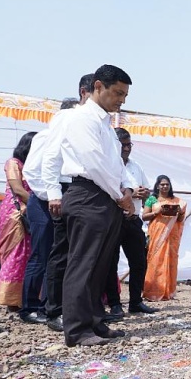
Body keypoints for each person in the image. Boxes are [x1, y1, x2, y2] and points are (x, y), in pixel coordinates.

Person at [56, 65, 135, 347]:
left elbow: (115, 165)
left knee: (100, 266)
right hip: (88, 194)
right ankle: (76, 330)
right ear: (98, 86)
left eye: (125, 95)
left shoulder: (105, 124)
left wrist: (126, 189)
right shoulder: (81, 119)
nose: (122, 100)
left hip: (106, 197)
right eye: (117, 93)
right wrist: (120, 194)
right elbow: (93, 162)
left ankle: (95, 323)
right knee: (83, 264)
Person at [20, 98, 80, 327]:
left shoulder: (70, 142)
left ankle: (49, 305)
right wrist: (52, 197)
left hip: (60, 201)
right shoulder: (45, 137)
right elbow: (32, 172)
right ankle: (29, 307)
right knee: (41, 255)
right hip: (45, 202)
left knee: (58, 256)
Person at [41, 74, 94, 333]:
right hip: (64, 189)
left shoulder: (95, 121)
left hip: (80, 190)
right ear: (87, 92)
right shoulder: (68, 117)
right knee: (62, 252)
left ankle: (78, 311)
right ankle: (55, 311)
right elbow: (50, 157)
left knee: (79, 254)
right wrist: (53, 192)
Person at [102, 128, 156, 322]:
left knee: (139, 262)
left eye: (129, 144)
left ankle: (135, 301)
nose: (127, 148)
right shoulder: (107, 165)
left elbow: (147, 190)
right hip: (114, 219)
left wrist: (143, 194)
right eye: (123, 144)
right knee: (111, 262)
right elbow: (109, 191)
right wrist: (132, 194)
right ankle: (115, 304)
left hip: (133, 220)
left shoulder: (136, 166)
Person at [0, 132, 35, 317]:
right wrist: (38, 204)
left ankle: (24, 297)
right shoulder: (14, 163)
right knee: (16, 253)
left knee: (29, 254)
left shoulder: (32, 166)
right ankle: (10, 299)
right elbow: (17, 189)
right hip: (15, 214)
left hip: (30, 211)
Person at [142, 175, 186, 301]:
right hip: (156, 234)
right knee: (155, 261)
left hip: (172, 236)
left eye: (167, 184)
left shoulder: (177, 201)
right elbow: (144, 217)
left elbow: (180, 220)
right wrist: (156, 212)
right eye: (162, 184)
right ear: (157, 186)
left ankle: (169, 292)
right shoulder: (152, 199)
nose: (165, 186)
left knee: (171, 260)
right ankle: (153, 292)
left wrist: (180, 213)